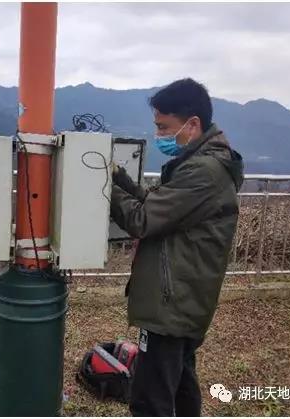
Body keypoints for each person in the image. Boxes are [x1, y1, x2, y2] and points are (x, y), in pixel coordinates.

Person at [110, 78, 244, 416]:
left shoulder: (204, 171)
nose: (159, 136)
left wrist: (102, 188)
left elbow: (143, 219)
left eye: (164, 127)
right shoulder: (203, 164)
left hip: (171, 304)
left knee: (150, 398)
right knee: (181, 385)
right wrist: (122, 181)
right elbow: (162, 205)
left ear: (193, 124)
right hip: (184, 298)